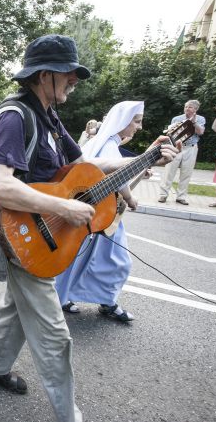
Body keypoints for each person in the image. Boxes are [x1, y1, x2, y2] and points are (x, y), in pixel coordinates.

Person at [0, 35, 178, 422]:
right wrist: (62, 207)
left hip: (42, 237)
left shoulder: (49, 118)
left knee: (16, 309)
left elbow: (87, 167)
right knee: (54, 333)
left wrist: (143, 159)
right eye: (70, 74)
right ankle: (69, 414)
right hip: (21, 235)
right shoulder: (14, 116)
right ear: (46, 74)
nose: (75, 81)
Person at [56, 101, 146, 322]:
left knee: (83, 258)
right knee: (118, 261)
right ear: (123, 121)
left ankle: (76, 298)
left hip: (99, 213)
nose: (139, 127)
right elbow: (117, 178)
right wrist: (130, 197)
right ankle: (104, 302)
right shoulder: (108, 146)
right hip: (102, 215)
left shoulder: (102, 142)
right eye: (136, 121)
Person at [158, 100, 205, 205]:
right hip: (176, 147)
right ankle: (163, 195)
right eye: (186, 106)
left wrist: (193, 122)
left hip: (191, 148)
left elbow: (200, 132)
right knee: (169, 171)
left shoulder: (201, 119)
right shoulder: (177, 118)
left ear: (196, 109)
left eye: (190, 107)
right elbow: (170, 133)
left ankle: (181, 197)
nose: (187, 108)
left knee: (186, 173)